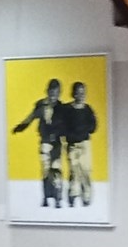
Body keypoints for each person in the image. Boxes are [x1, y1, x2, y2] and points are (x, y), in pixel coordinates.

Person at [12, 78, 67, 208]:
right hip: (45, 142)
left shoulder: (61, 108)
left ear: (59, 93)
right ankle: (46, 197)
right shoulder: (41, 105)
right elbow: (31, 117)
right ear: (47, 91)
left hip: (57, 143)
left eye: (56, 92)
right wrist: (21, 127)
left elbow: (66, 125)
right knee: (46, 171)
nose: (53, 95)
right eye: (52, 92)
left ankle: (57, 198)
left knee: (56, 170)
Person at [63, 79, 100, 208]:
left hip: (84, 144)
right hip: (72, 145)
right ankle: (73, 195)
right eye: (78, 93)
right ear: (73, 93)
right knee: (74, 170)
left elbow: (93, 126)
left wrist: (84, 130)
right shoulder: (67, 109)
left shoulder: (87, 109)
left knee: (85, 170)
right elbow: (63, 125)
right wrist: (70, 135)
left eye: (83, 93)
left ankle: (87, 196)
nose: (81, 95)